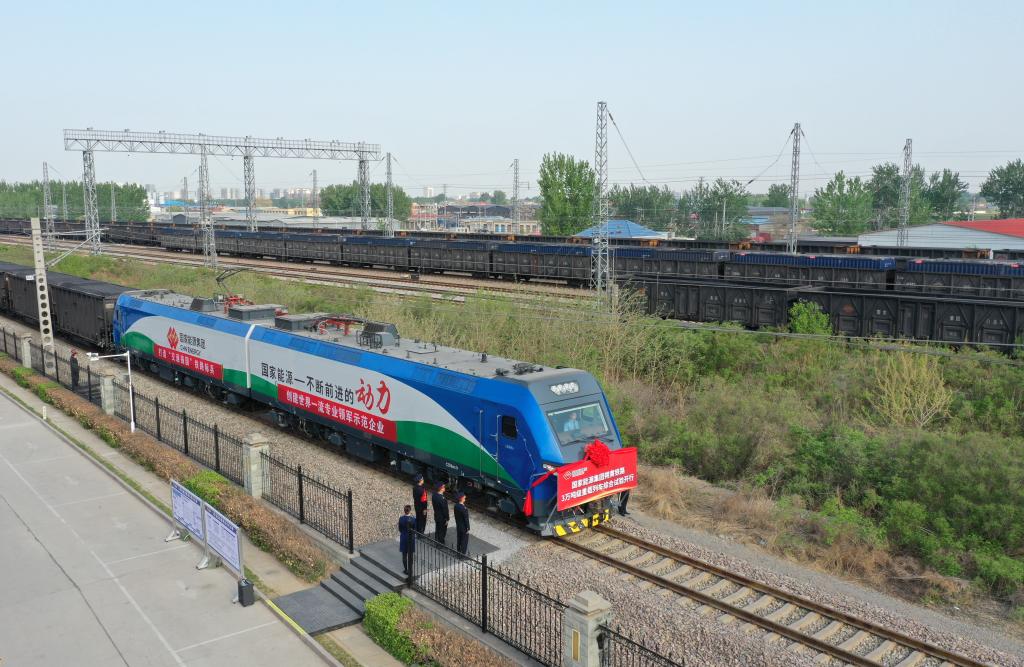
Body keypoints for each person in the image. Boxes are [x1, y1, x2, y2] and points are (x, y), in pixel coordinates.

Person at [398, 505, 416, 574]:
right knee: (410, 555)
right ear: (410, 510)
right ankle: (410, 569)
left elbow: (400, 529)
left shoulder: (401, 519)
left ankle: (406, 569)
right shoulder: (413, 519)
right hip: (411, 538)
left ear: (404, 511)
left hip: (403, 537)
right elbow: (415, 529)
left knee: (404, 555)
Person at [454, 491, 470, 556]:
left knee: (459, 539)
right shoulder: (464, 508)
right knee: (464, 541)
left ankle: (458, 552)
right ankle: (462, 554)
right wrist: (468, 528)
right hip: (464, 527)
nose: (465, 497)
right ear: (461, 498)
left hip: (458, 525)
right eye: (464, 497)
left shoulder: (456, 506)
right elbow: (466, 519)